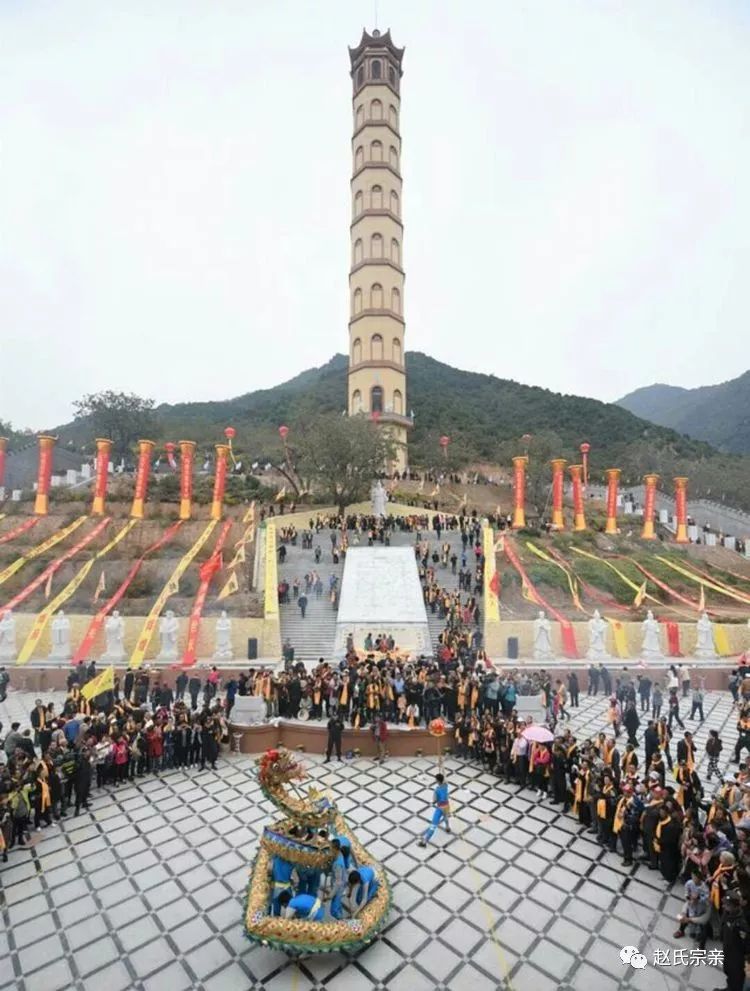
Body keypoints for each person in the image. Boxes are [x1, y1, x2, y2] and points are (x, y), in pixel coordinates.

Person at [418, 773, 451, 847]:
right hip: (447, 805)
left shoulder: (437, 790)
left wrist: (434, 797)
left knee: (433, 824)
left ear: (438, 781)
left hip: (440, 807)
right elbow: (444, 776)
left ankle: (424, 842)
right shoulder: (446, 785)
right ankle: (447, 828)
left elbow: (434, 800)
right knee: (445, 817)